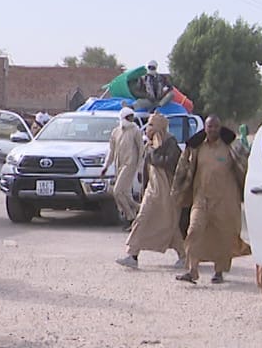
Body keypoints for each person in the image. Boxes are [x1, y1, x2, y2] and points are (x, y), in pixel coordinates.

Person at [172, 116, 246, 284]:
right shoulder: (196, 148)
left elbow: (244, 165)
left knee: (223, 236)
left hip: (225, 200)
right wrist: (178, 191)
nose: (212, 129)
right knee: (193, 231)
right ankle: (192, 270)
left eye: (216, 127)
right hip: (201, 199)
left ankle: (219, 271)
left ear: (220, 128)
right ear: (205, 128)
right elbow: (183, 168)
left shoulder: (230, 147)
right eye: (209, 126)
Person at [117, 112, 187, 269]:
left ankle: (183, 255)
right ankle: (132, 255)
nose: (148, 128)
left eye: (151, 125)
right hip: (152, 191)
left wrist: (155, 151)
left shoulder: (170, 143)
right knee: (142, 219)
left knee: (170, 225)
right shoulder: (150, 144)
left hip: (167, 192)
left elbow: (169, 163)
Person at [101, 107, 145, 227]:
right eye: (128, 117)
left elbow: (142, 150)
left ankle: (130, 217)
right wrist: (106, 166)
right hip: (118, 164)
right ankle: (142, 209)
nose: (131, 120)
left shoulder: (135, 130)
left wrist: (140, 169)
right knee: (125, 193)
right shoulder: (116, 132)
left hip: (130, 164)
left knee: (117, 191)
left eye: (132, 117)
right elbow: (111, 151)